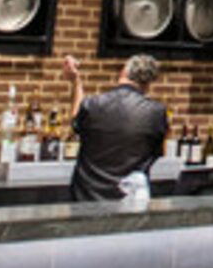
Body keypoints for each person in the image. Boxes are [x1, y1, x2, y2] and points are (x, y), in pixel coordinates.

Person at [60, 53, 167, 203]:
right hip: (130, 201)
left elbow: (75, 120)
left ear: (124, 72)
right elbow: (156, 153)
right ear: (149, 82)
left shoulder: (93, 105)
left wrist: (76, 81)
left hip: (86, 198)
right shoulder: (156, 113)